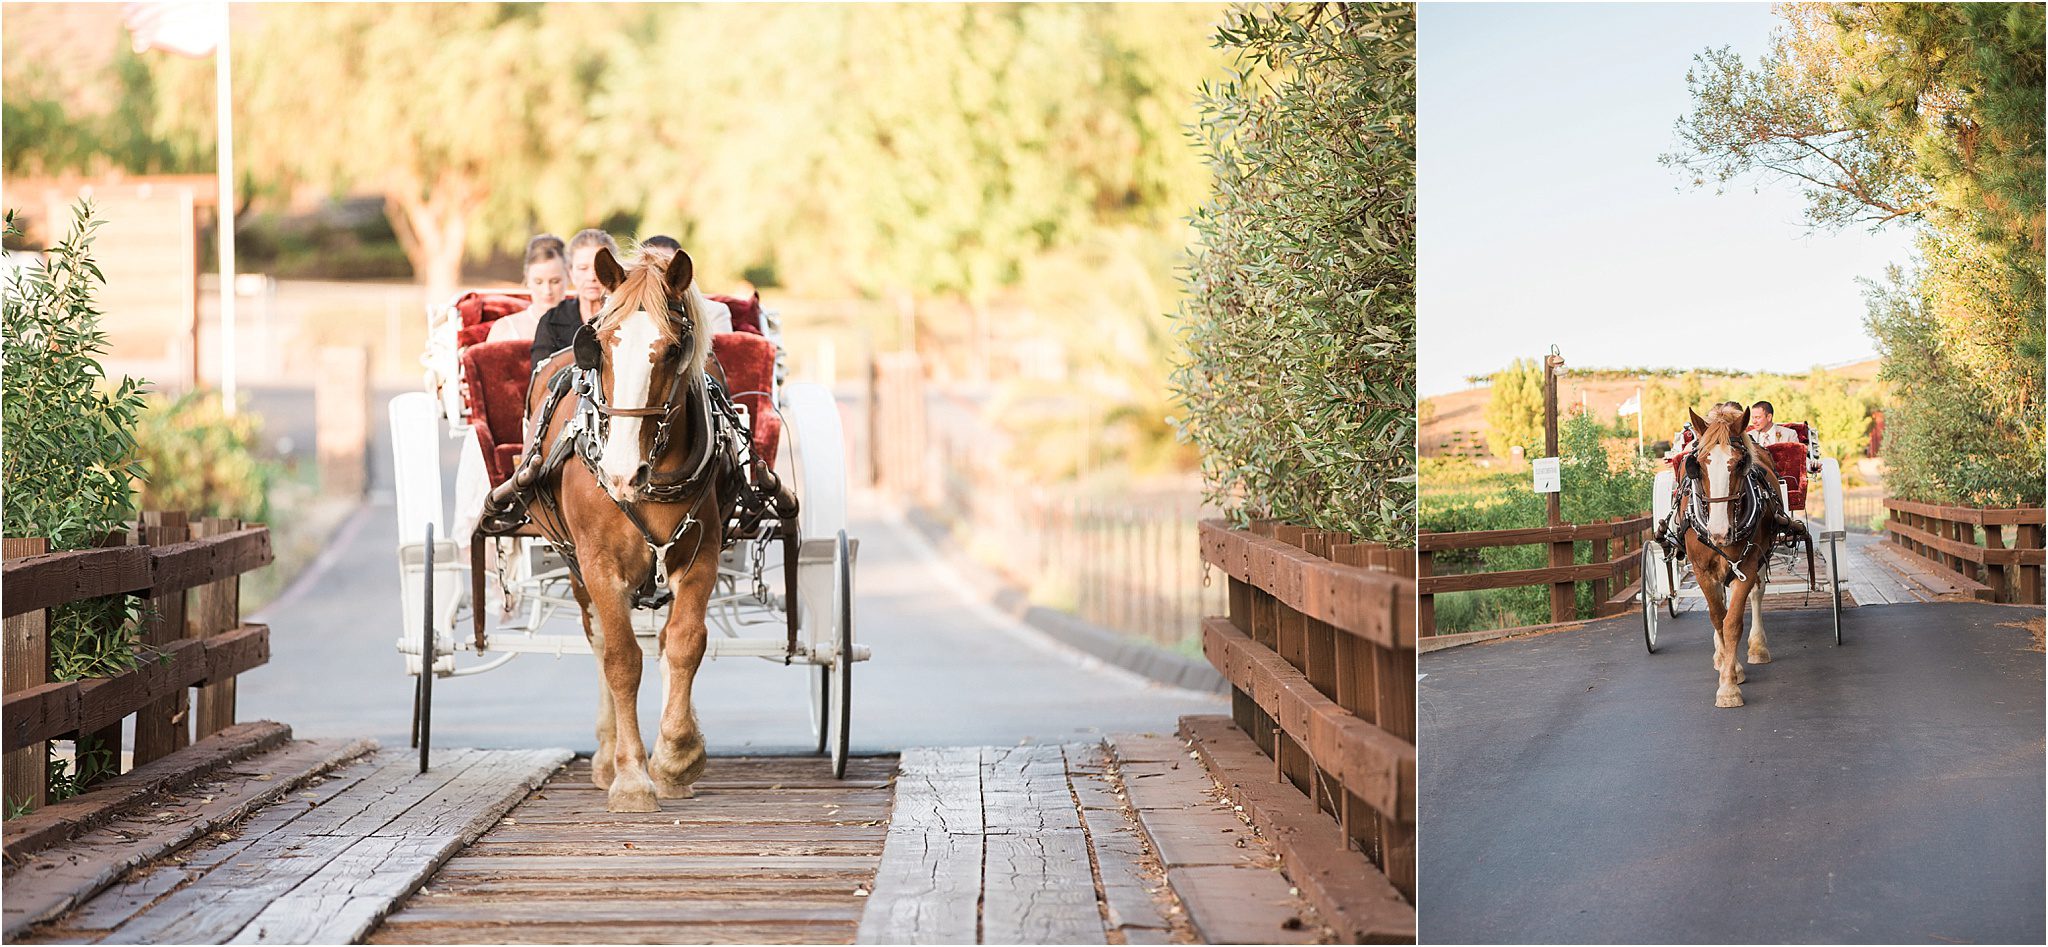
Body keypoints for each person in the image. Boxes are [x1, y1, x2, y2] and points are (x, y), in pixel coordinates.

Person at [530, 229, 623, 364]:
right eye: (583, 268)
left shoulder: (628, 318)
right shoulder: (552, 321)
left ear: (614, 271)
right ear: (570, 273)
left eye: (599, 267)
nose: (592, 277)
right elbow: (541, 380)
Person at [636, 234, 733, 335]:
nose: (654, 274)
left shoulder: (714, 312)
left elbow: (721, 349)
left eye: (666, 266)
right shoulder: (629, 313)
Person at [485, 234, 569, 343]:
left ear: (568, 276)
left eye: (555, 282)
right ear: (527, 279)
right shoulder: (504, 330)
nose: (547, 291)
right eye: (538, 282)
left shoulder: (585, 327)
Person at [1747, 400, 1820, 472]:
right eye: (1752, 418)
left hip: (1784, 479)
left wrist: (1811, 466)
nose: (1753, 421)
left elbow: (1798, 457)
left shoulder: (1789, 434)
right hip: (1758, 480)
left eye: (1757, 417)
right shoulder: (1748, 436)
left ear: (1769, 417)